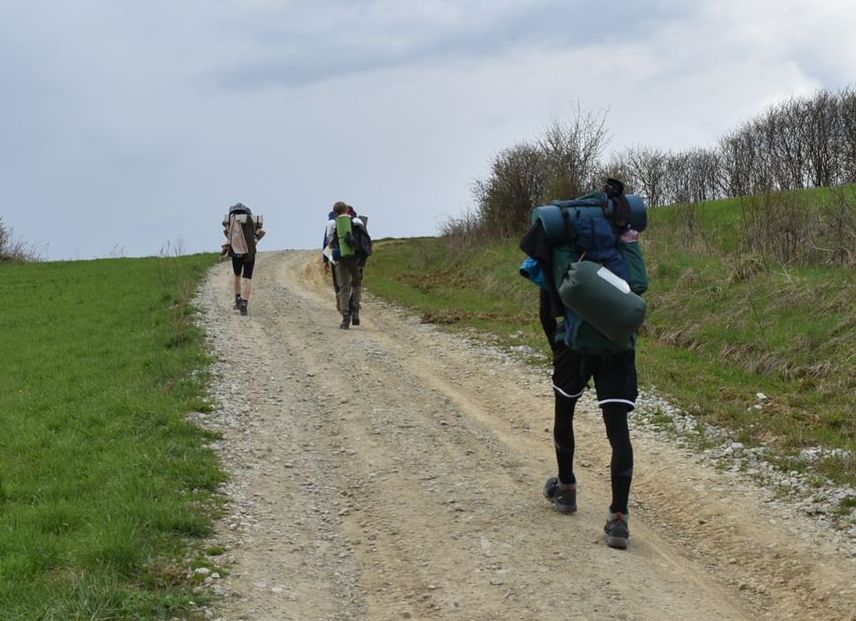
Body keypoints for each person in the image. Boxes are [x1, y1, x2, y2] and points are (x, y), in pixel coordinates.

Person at [521, 179, 648, 550]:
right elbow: (638, 286)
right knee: (618, 431)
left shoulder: (559, 244)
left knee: (565, 413)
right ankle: (618, 518)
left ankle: (566, 488)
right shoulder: (623, 239)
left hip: (573, 345)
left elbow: (549, 308)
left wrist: (556, 346)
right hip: (618, 346)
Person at [324, 201, 369, 329]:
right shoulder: (357, 221)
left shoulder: (332, 223)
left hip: (340, 258)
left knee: (344, 287)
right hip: (355, 258)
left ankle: (345, 317)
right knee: (356, 284)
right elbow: (364, 239)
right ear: (347, 210)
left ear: (335, 212)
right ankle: (355, 308)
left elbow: (330, 242)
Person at [222, 202, 266, 316]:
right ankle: (244, 304)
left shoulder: (231, 221)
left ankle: (238, 299)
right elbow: (256, 237)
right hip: (250, 253)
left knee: (237, 276)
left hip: (236, 252)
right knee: (247, 279)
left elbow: (227, 235)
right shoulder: (251, 222)